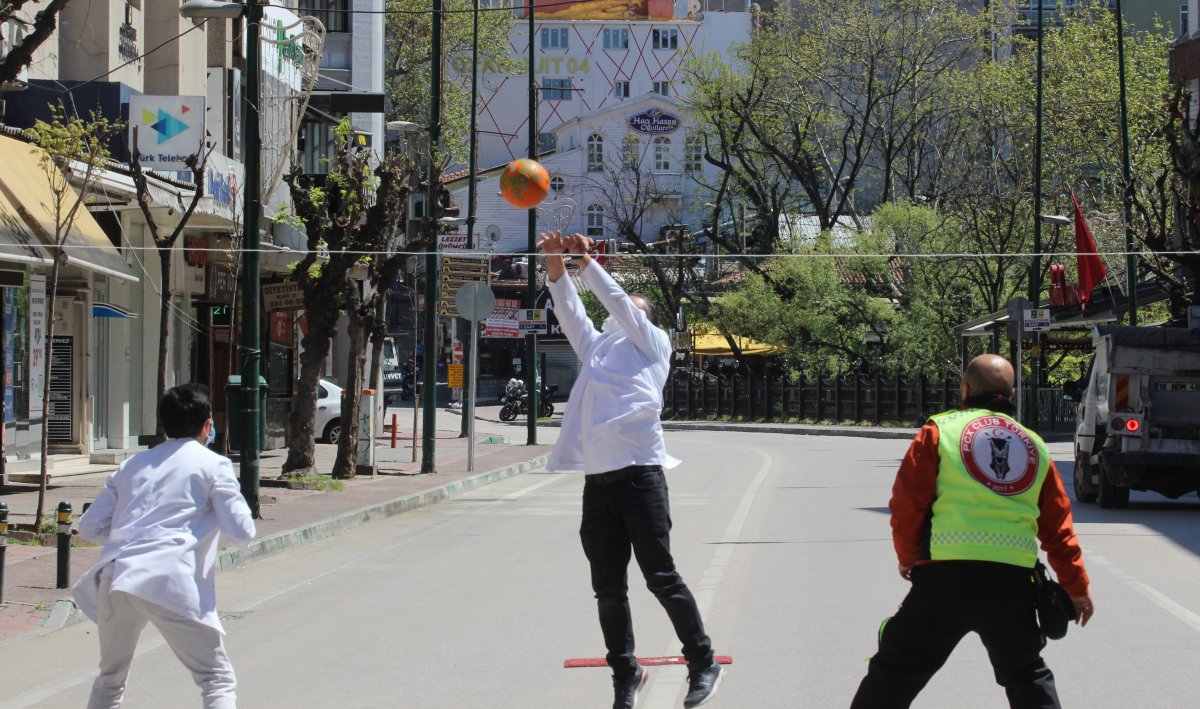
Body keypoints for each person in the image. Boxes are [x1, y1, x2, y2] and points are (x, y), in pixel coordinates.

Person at [538, 231, 722, 709]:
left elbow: (618, 301)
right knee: (607, 590)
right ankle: (626, 673)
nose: (620, 313)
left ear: (645, 320)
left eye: (632, 309)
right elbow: (570, 311)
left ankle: (702, 662)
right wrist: (556, 263)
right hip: (598, 484)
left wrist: (585, 262)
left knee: (661, 577)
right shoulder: (597, 349)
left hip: (641, 475)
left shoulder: (651, 344)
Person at [850, 354, 1094, 709]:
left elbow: (907, 503)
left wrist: (909, 558)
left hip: (944, 579)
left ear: (965, 389)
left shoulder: (939, 432)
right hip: (1012, 584)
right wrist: (1078, 588)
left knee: (896, 669)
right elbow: (1058, 530)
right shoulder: (1033, 445)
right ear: (1013, 392)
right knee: (1026, 674)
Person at [73, 384, 257, 709]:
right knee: (216, 679)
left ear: (164, 424)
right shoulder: (213, 466)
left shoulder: (132, 465)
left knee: (110, 679)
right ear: (207, 425)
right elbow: (241, 530)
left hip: (117, 578)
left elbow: (88, 527)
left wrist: (130, 539)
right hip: (170, 580)